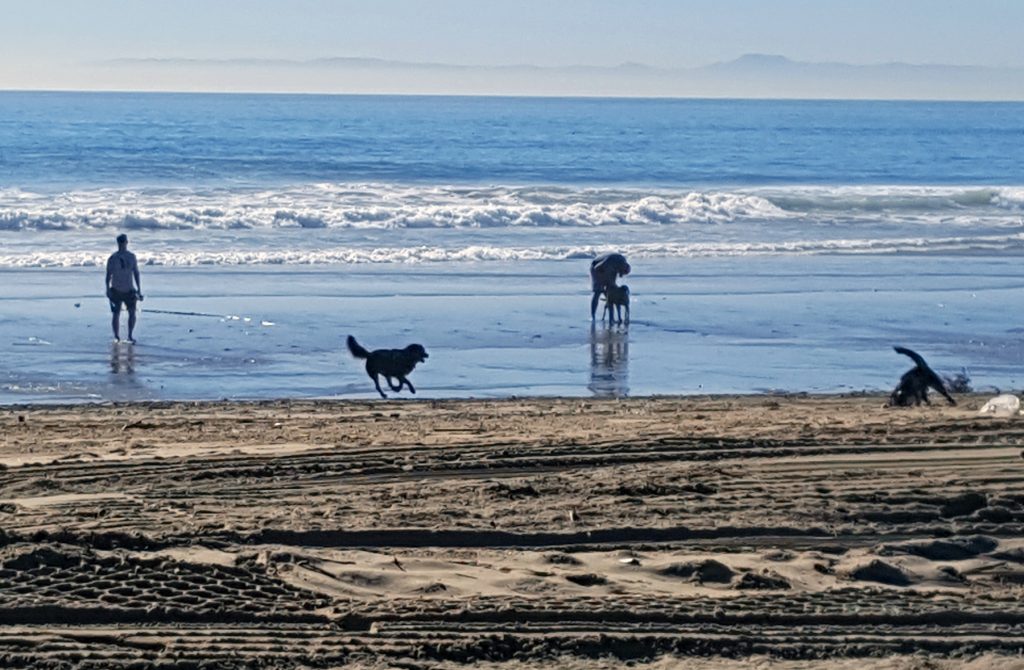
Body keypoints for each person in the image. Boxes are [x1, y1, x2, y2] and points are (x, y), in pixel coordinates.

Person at [105, 233, 143, 343]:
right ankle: (117, 336)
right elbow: (108, 275)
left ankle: (130, 335)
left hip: (129, 290)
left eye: (123, 242)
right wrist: (107, 289)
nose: (122, 244)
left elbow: (136, 273)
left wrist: (139, 289)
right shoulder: (113, 258)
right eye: (121, 242)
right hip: (116, 290)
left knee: (132, 313)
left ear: (126, 243)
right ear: (119, 243)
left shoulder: (131, 256)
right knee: (116, 314)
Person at [589, 252, 630, 320]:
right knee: (598, 292)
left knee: (611, 292)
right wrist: (603, 282)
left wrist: (612, 286)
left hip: (609, 269)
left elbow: (613, 281)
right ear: (621, 267)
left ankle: (611, 317)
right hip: (596, 267)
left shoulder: (622, 262)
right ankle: (593, 316)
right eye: (621, 272)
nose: (621, 275)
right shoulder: (609, 261)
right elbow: (597, 268)